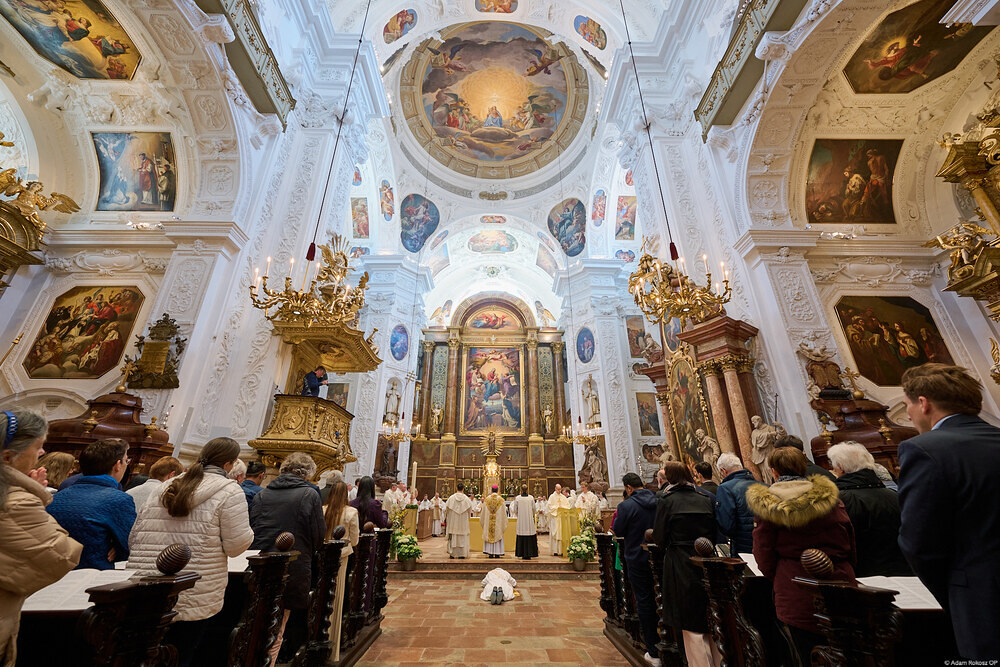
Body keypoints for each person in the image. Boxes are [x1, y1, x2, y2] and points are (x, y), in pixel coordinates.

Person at [897, 364, 1000, 659]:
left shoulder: (924, 449)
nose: (908, 414)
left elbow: (918, 542)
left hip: (982, 599)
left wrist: (954, 589)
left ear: (923, 403)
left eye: (907, 405)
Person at [126, 437, 253, 667]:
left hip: (148, 585)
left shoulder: (165, 486)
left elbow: (134, 537)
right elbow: (236, 547)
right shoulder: (230, 491)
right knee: (183, 653)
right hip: (194, 586)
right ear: (229, 464)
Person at [746, 447, 856, 664]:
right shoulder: (829, 497)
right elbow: (849, 540)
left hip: (794, 584)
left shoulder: (770, 503)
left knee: (803, 653)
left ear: (774, 471)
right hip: (840, 582)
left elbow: (764, 552)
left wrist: (778, 576)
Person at [0, 409, 81, 667]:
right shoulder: (17, 502)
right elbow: (63, 554)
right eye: (38, 446)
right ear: (7, 457)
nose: (42, 453)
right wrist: (37, 494)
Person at [250, 452, 325, 665]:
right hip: (293, 563)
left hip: (260, 561)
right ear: (308, 472)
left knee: (259, 621)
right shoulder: (309, 495)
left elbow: (253, 529)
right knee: (278, 624)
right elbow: (318, 534)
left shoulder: (262, 494)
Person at [652, 462, 719, 667]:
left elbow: (659, 536)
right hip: (707, 561)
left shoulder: (667, 500)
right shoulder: (705, 498)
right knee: (711, 618)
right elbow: (715, 533)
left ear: (669, 478)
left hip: (680, 560)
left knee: (688, 619)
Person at [47, 438, 136, 570]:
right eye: (126, 461)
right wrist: (116, 546)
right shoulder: (119, 500)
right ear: (117, 465)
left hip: (49, 574)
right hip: (89, 577)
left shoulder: (55, 497)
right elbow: (129, 546)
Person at [826, 441, 909, 577]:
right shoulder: (894, 495)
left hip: (863, 575)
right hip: (905, 571)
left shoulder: (837, 500)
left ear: (840, 468)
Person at [613, 473, 660, 667]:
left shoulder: (627, 505)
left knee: (644, 600)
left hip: (636, 558)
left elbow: (618, 530)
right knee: (662, 597)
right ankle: (671, 642)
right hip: (659, 557)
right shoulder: (660, 501)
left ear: (628, 488)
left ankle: (653, 649)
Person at [323, 480, 359, 662]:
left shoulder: (322, 510)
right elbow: (355, 540)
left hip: (322, 559)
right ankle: (333, 647)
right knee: (336, 599)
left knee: (322, 598)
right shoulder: (351, 512)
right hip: (342, 559)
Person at [714, 453, 756, 555]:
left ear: (724, 471)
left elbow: (727, 525)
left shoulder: (725, 489)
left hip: (743, 548)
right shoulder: (764, 485)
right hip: (765, 545)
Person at [510, 484, 538, 560]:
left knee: (521, 533)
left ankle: (521, 553)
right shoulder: (531, 498)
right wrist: (530, 515)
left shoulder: (518, 498)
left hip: (521, 521)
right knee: (529, 534)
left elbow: (515, 510)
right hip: (529, 520)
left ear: (521, 490)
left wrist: (519, 515)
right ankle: (530, 553)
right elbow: (534, 509)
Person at [445, 483, 473, 558]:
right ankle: (462, 554)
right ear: (463, 489)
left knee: (454, 536)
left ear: (456, 488)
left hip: (453, 523)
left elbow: (446, 510)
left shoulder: (451, 498)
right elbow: (470, 511)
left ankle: (452, 553)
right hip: (463, 523)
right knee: (462, 537)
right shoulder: (467, 499)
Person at [481, 485, 507, 558]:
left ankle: (490, 552)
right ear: (498, 490)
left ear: (491, 490)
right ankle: (498, 552)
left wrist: (484, 523)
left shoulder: (487, 500)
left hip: (489, 524)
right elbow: (504, 514)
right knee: (497, 532)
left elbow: (483, 514)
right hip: (497, 524)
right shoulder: (501, 500)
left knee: (490, 532)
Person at [547, 484, 569, 556]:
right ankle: (555, 550)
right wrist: (557, 508)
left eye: (560, 489)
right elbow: (550, 506)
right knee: (555, 533)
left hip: (562, 518)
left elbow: (568, 506)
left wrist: (563, 508)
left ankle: (562, 550)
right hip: (555, 518)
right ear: (555, 488)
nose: (559, 491)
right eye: (558, 489)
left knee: (562, 533)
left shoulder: (563, 497)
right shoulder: (552, 497)